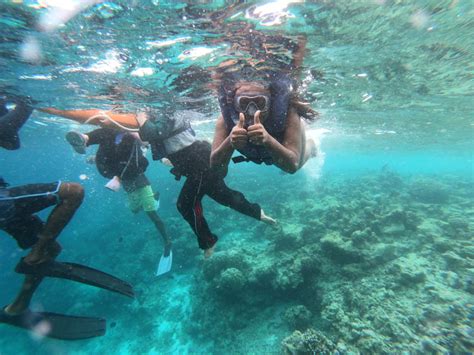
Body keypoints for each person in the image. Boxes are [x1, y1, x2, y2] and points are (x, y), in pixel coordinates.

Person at [136, 109, 276, 258]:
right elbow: (164, 138)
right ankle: (257, 213)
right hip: (199, 161)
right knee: (224, 195)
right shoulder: (165, 116)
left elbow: (152, 133)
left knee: (185, 205)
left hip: (199, 164)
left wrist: (142, 117)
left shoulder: (169, 112)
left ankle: (208, 241)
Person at [65, 127, 172, 261]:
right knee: (135, 210)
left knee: (151, 213)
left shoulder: (134, 143)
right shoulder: (116, 136)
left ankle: (167, 240)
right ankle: (85, 139)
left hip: (139, 181)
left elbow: (146, 151)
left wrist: (163, 159)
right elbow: (113, 152)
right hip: (126, 181)